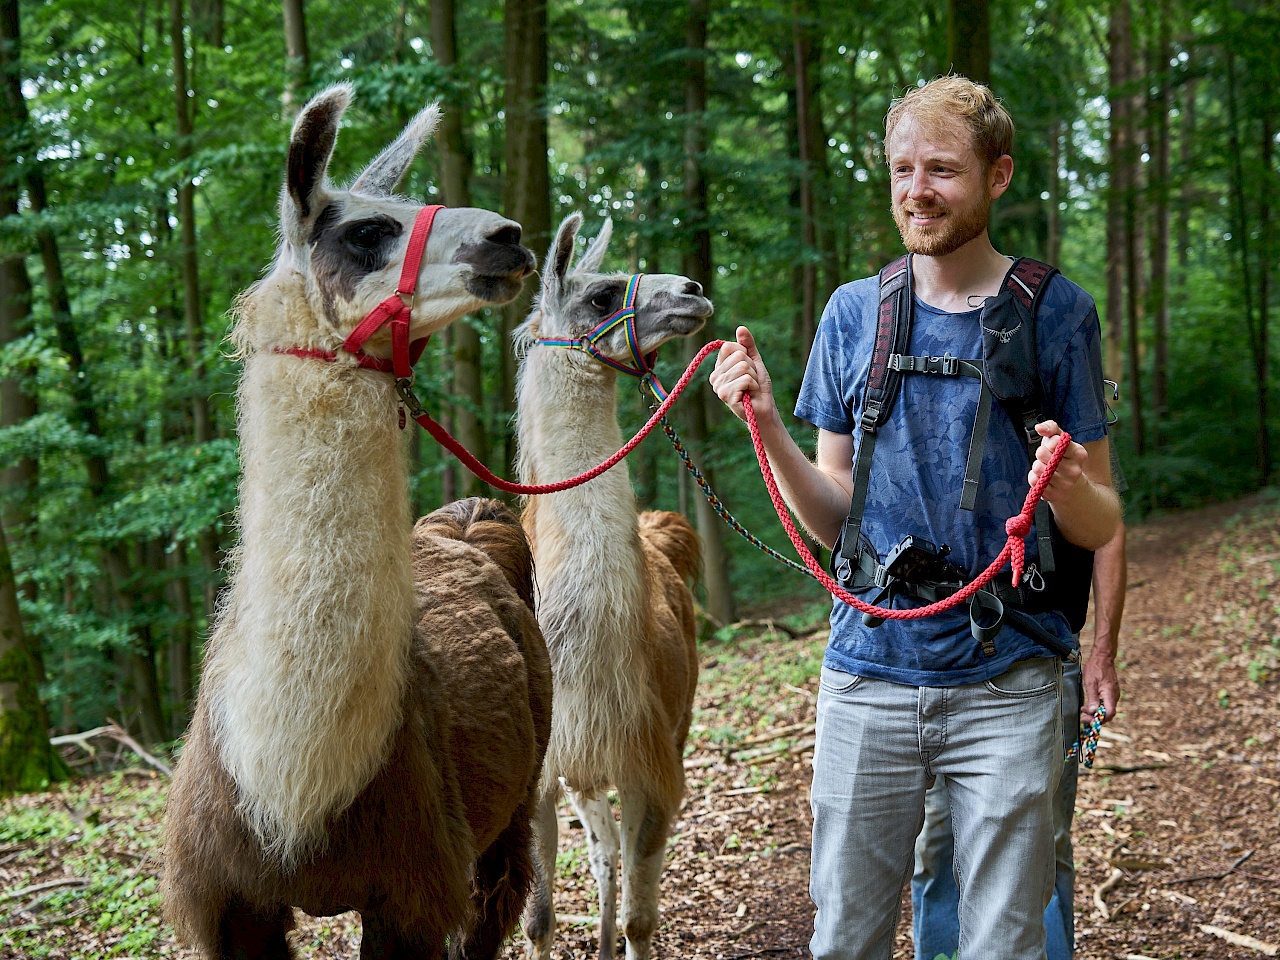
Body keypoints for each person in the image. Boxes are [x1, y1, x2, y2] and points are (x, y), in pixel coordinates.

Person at [709, 75, 1121, 960]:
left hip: (1010, 678)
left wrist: (1066, 484)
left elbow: (1103, 521)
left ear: (998, 176)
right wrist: (768, 424)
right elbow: (834, 516)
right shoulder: (854, 314)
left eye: (943, 169)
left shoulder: (1060, 314)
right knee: (845, 937)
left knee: (1003, 944)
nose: (917, 191)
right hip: (866, 676)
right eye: (902, 170)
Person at [911, 514, 1128, 960]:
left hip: (1042, 650)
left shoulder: (1062, 441)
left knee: (1042, 837)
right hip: (932, 658)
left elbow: (1106, 526)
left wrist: (1103, 653)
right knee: (936, 841)